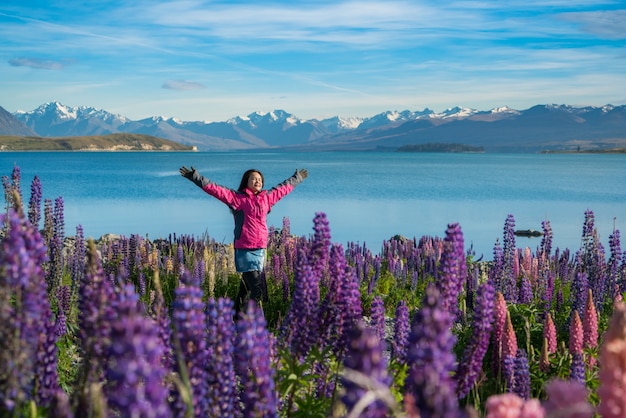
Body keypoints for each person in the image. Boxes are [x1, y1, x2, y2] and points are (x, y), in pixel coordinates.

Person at [179, 165, 308, 314]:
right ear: (246, 181)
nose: (257, 181)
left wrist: (297, 178)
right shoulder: (237, 198)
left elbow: (283, 189)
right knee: (258, 291)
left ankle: (234, 318)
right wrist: (195, 177)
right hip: (244, 250)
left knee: (245, 290)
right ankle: (248, 324)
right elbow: (215, 189)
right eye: (253, 179)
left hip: (260, 250)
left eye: (260, 179)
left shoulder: (267, 198)